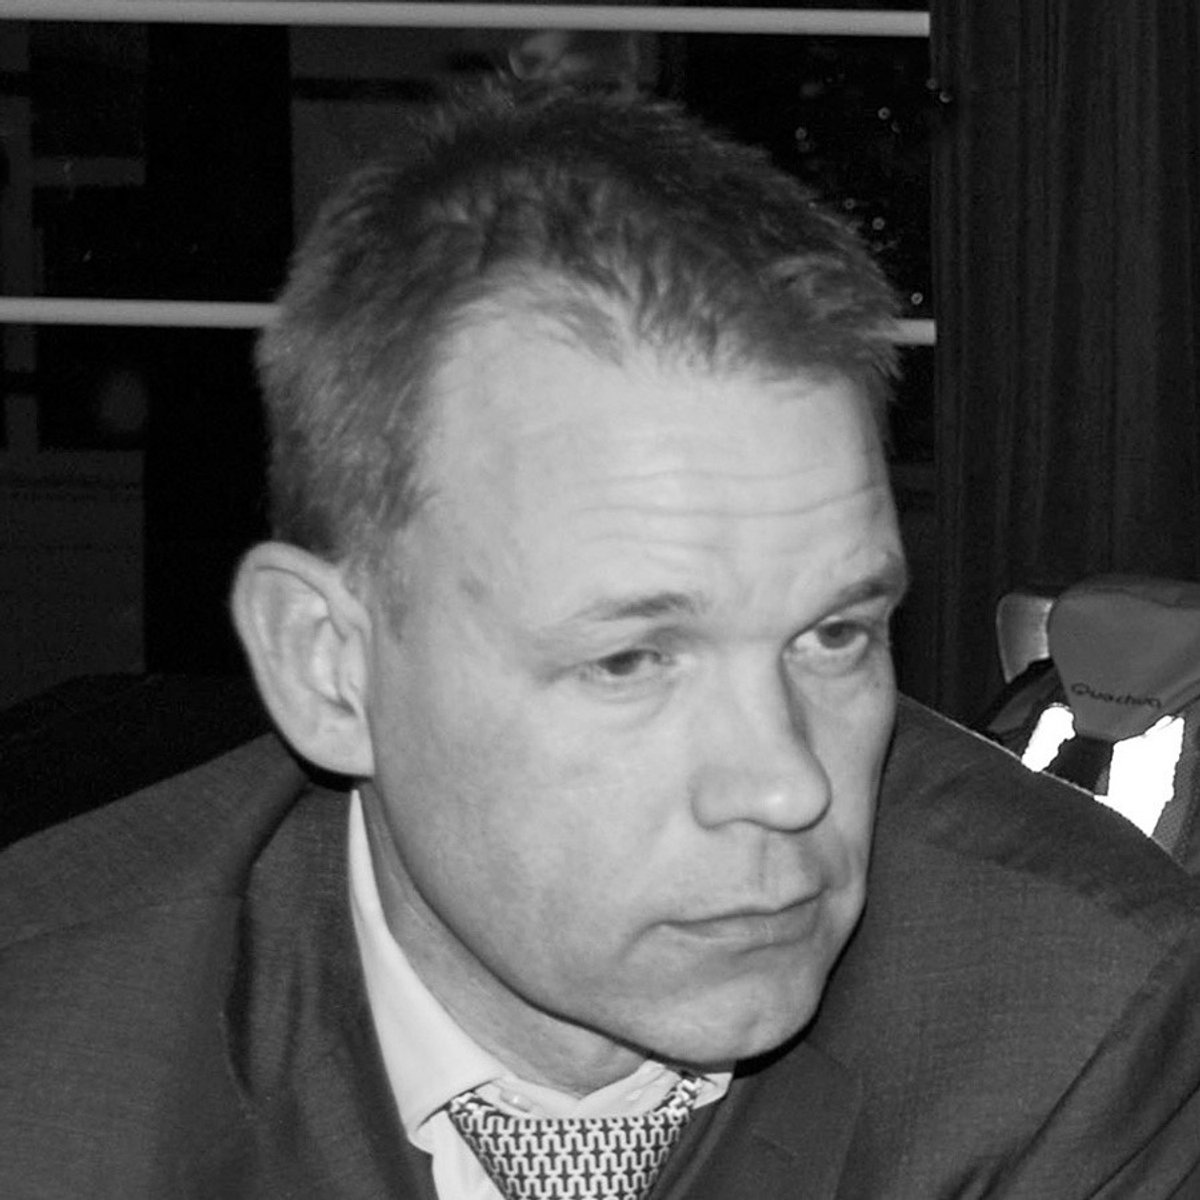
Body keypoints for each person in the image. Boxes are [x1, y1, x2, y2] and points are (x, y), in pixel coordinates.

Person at [2, 83, 1200, 1200]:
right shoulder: (46, 1068)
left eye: (834, 633)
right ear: (333, 668)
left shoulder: (1082, 1018)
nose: (787, 784)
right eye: (630, 660)